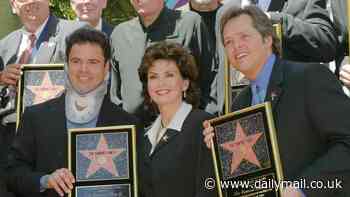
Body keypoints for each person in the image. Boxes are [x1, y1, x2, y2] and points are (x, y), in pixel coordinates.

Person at [203, 5, 350, 196]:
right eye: (228, 42)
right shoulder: (240, 104)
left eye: (244, 37)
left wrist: (303, 188)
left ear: (267, 38)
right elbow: (251, 179)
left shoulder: (310, 78)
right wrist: (221, 149)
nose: (235, 46)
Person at [6, 27, 140, 197]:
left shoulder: (128, 124)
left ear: (106, 67)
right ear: (67, 65)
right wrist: (45, 180)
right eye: (76, 61)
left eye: (93, 62)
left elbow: (138, 184)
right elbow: (12, 174)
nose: (83, 69)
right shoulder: (35, 116)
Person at [213, 0, 338, 114]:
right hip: (241, 114)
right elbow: (221, 66)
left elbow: (326, 43)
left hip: (292, 110)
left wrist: (276, 20)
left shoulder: (301, 2)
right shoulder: (226, 10)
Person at [109, 0, 216, 119]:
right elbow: (115, 95)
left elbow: (210, 80)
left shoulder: (189, 24)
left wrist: (204, 122)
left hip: (183, 129)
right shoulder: (119, 34)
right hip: (134, 131)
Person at [0, 0, 85, 147]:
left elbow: (90, 82)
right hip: (8, 138)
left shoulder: (76, 33)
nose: (31, 2)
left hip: (54, 137)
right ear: (14, 5)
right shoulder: (5, 45)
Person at [137, 41, 217, 197]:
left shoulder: (205, 126)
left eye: (169, 75)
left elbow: (210, 188)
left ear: (185, 83)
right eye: (153, 77)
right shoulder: (145, 137)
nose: (161, 83)